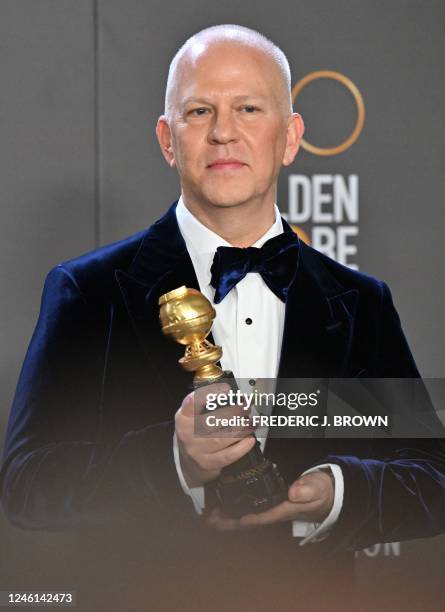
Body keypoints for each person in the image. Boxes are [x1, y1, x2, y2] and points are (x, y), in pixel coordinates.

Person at [1, 24, 444, 611]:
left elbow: (433, 474)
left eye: (249, 108)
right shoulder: (87, 291)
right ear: (167, 139)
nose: (224, 132)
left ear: (290, 137)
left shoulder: (361, 301)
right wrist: (173, 461)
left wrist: (341, 492)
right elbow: (28, 483)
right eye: (199, 111)